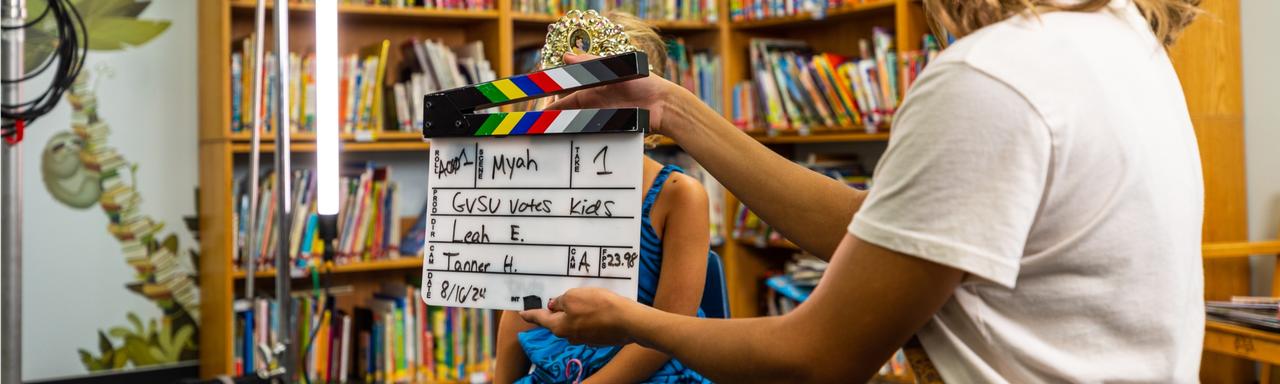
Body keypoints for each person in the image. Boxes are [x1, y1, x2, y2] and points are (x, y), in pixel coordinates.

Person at [520, 0, 1206, 382]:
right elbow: (880, 228)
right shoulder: (1117, 41)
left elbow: (816, 358)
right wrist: (670, 108)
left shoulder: (990, 77)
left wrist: (630, 320)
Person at [495, 13, 714, 384]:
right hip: (554, 370)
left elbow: (670, 331)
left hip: (648, 372)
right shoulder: (540, 191)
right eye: (566, 93)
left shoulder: (680, 196)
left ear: (641, 105)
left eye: (604, 96)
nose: (581, 107)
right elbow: (519, 307)